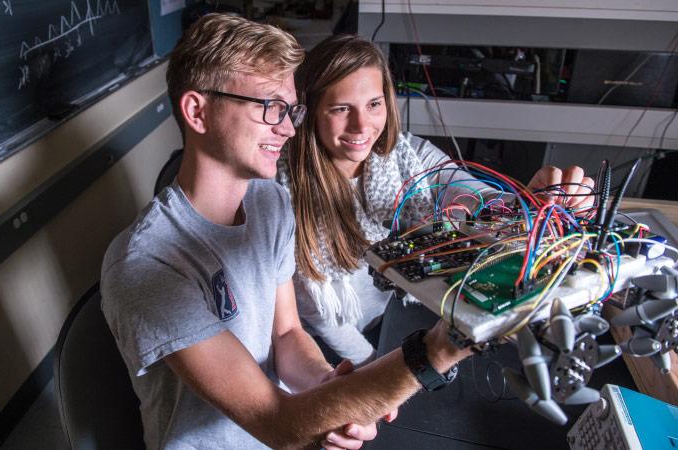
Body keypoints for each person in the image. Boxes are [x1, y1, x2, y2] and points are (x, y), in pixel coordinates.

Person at [101, 14, 474, 450]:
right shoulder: (149, 265)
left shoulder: (267, 202)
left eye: (291, 109)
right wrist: (443, 348)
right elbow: (276, 422)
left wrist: (326, 385)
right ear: (197, 111)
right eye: (269, 107)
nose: (289, 127)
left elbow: (286, 335)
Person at [278, 34, 595, 366]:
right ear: (310, 110)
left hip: (391, 318)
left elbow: (468, 193)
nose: (361, 125)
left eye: (374, 104)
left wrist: (524, 206)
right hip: (317, 350)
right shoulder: (280, 186)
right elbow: (317, 315)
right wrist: (375, 367)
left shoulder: (408, 155)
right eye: (341, 108)